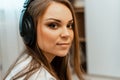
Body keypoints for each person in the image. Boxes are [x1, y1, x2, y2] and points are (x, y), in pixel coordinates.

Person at [4, 0, 84, 80]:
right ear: (29, 29)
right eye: (53, 25)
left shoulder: (25, 62)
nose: (66, 34)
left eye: (69, 25)